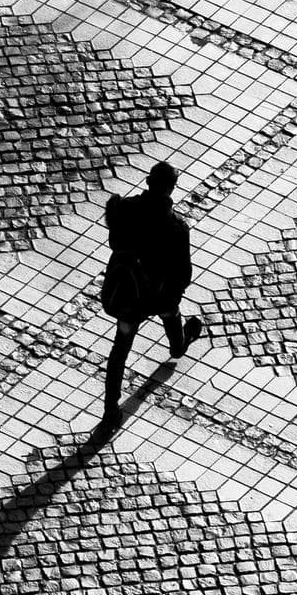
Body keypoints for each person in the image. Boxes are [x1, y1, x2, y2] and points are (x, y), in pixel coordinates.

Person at [98, 162, 202, 434]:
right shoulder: (177, 227)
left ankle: (110, 410)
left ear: (147, 181)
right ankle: (177, 346)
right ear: (172, 188)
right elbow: (183, 272)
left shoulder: (125, 209)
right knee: (171, 311)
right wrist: (174, 292)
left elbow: (115, 244)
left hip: (128, 295)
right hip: (158, 294)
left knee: (120, 350)